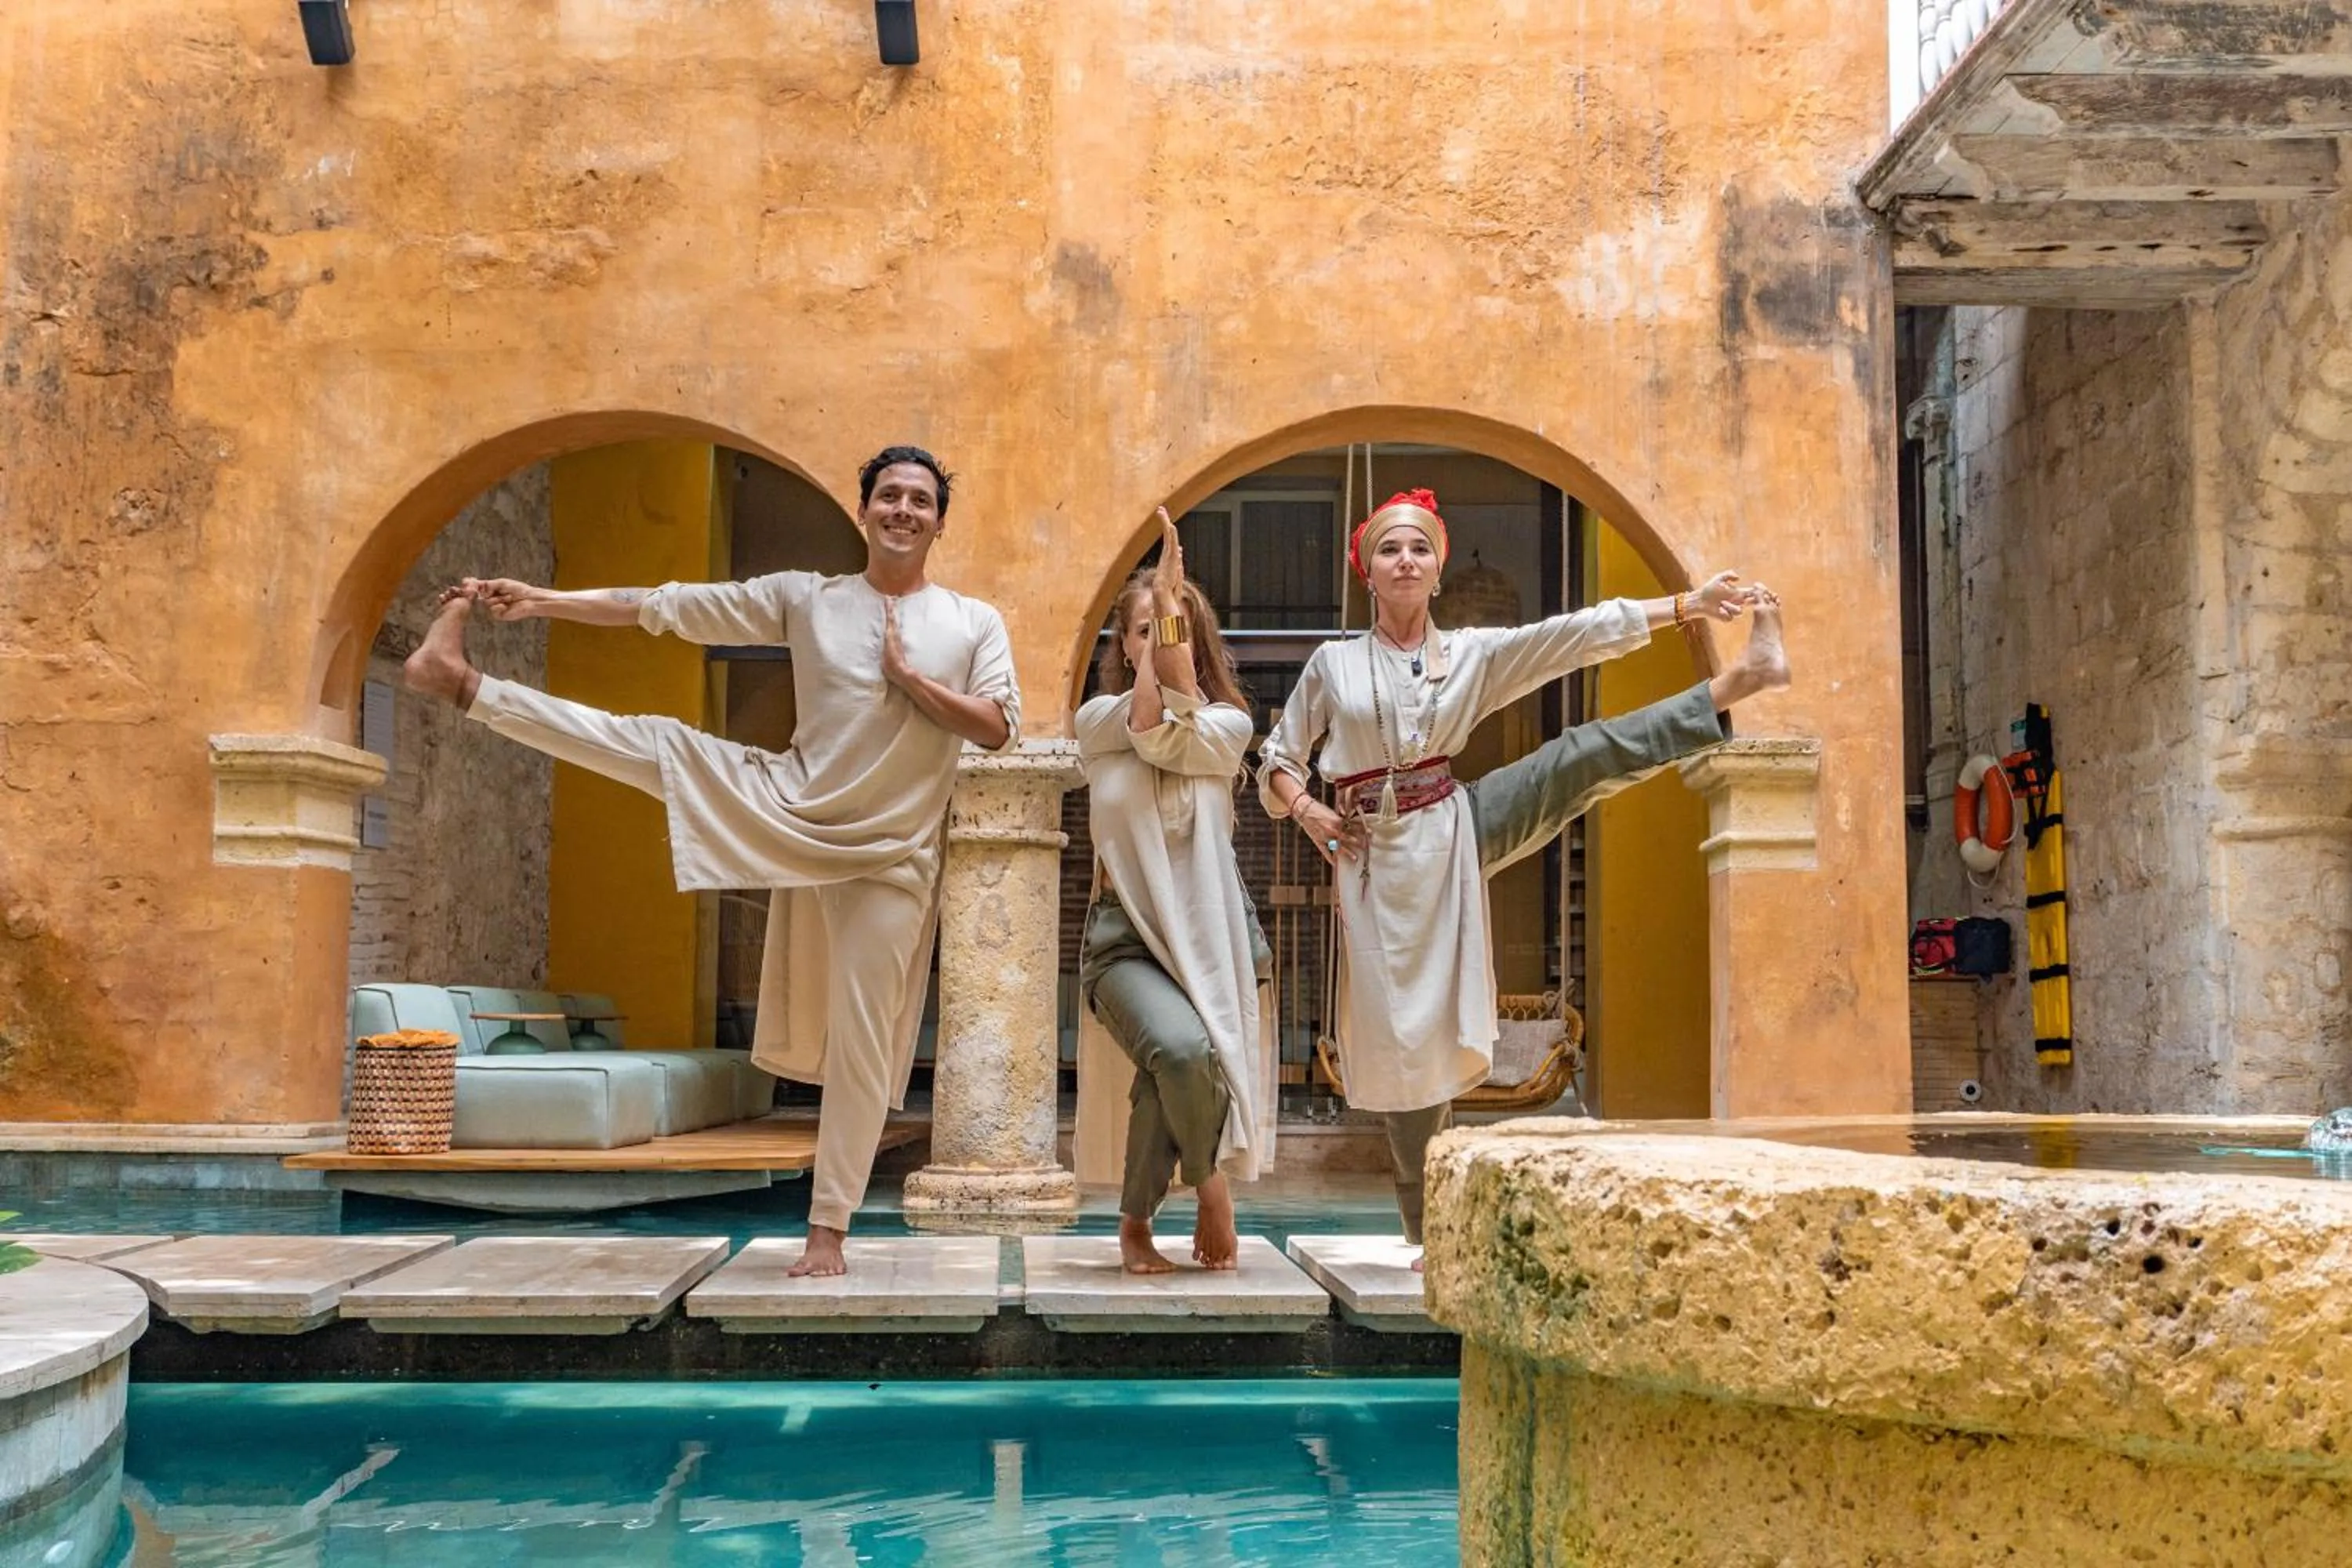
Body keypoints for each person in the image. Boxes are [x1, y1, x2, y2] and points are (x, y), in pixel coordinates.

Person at [401, 445, 1019, 1278]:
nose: (902, 509)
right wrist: (544, 601)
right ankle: (464, 682)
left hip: (892, 851)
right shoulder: (809, 597)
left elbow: (995, 725)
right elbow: (668, 608)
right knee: (653, 744)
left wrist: (910, 680)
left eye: (919, 499)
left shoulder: (974, 620)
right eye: (888, 496)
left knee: (867, 1042)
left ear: (940, 521)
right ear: (865, 508)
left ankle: (827, 1231)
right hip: (791, 801)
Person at [1258, 488, 1789, 1265]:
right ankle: (1424, 1233)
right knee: (1410, 1056)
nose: (1404, 559)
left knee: (1576, 758)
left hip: (1457, 822)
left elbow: (1571, 636)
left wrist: (1689, 604)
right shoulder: (1333, 665)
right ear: (1366, 572)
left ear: (1437, 569)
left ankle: (1740, 682)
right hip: (1373, 860)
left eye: (1418, 548)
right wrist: (1309, 812)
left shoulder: (1470, 653)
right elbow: (1276, 760)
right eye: (1388, 549)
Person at [1075, 510, 1276, 1274]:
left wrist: (1172, 642)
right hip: (1121, 941)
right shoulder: (1098, 722)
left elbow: (1175, 730)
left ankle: (1133, 1226)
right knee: (1184, 1049)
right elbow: (1143, 722)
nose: (1158, 639)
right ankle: (1211, 1182)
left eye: (1178, 627)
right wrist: (1160, 648)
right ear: (1120, 645)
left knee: (1172, 1075)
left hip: (1211, 938)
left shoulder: (1227, 727)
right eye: (1142, 629)